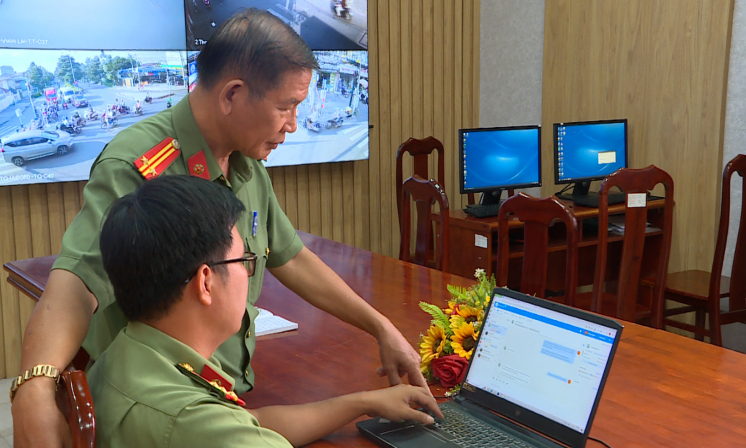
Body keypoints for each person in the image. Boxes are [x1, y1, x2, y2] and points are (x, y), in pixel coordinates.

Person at [12, 8, 426, 447]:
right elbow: (78, 280)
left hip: (224, 395)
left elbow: (289, 255)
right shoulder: (138, 163)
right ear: (232, 94)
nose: (293, 124)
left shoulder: (246, 161)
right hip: (165, 407)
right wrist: (35, 388)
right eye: (286, 107)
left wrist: (381, 327)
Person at [89, 175, 440, 447]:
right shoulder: (199, 425)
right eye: (244, 260)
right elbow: (235, 434)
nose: (248, 273)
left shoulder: (126, 355)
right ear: (205, 282)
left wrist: (363, 402)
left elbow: (248, 423)